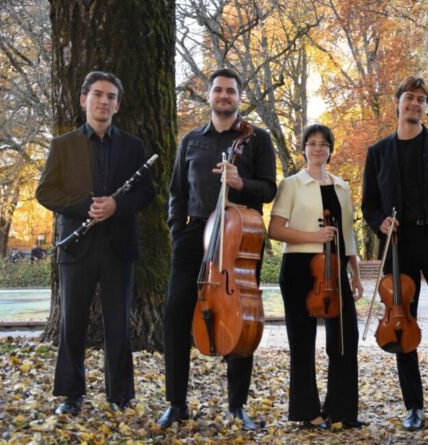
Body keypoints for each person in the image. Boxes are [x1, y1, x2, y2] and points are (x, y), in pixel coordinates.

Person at [157, 68, 277, 430]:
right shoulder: (191, 141)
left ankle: (237, 405)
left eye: (231, 91)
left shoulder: (257, 140)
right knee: (175, 314)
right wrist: (178, 231)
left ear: (239, 97)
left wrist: (242, 182)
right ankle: (177, 403)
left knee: (242, 319)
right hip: (194, 239)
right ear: (208, 96)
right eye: (218, 91)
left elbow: (270, 189)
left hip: (239, 241)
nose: (224, 96)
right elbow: (177, 192)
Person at [36, 71, 154, 415]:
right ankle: (72, 396)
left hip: (118, 245)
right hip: (77, 245)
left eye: (111, 97)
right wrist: (85, 205)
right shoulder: (63, 145)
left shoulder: (132, 146)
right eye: (98, 94)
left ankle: (120, 396)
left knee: (118, 324)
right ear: (83, 99)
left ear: (117, 105)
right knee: (73, 323)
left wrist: (117, 206)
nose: (104, 101)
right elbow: (45, 192)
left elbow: (147, 193)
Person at [361, 76, 428, 431]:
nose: (414, 104)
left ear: (426, 107)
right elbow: (368, 204)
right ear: (397, 103)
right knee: (401, 324)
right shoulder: (377, 152)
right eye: (409, 98)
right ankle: (414, 405)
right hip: (398, 246)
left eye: (421, 99)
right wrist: (380, 223)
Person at [268, 124, 365, 430]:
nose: (318, 148)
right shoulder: (292, 184)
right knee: (302, 339)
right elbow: (275, 229)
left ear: (330, 150)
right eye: (312, 143)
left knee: (344, 339)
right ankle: (307, 410)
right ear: (304, 149)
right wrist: (315, 234)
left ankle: (342, 410)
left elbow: (348, 236)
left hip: (334, 268)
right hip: (298, 266)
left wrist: (357, 275)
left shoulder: (341, 187)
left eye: (324, 144)